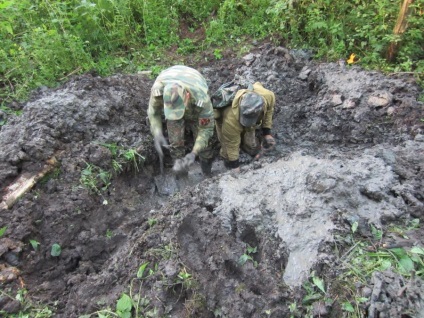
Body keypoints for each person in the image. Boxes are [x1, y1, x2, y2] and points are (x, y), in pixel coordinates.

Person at [147, 65, 215, 175]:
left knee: (205, 148)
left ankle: (207, 174)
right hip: (169, 75)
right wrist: (157, 133)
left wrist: (194, 152)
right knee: (175, 143)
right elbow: (153, 113)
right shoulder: (158, 91)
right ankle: (181, 174)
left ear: (187, 97)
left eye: (178, 110)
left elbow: (206, 130)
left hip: (194, 84)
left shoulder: (201, 99)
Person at [214, 82, 276, 171]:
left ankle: (251, 152)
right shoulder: (230, 120)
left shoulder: (268, 96)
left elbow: (269, 112)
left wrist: (267, 133)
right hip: (226, 119)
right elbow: (232, 145)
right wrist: (235, 167)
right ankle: (227, 163)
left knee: (251, 146)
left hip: (249, 116)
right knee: (227, 152)